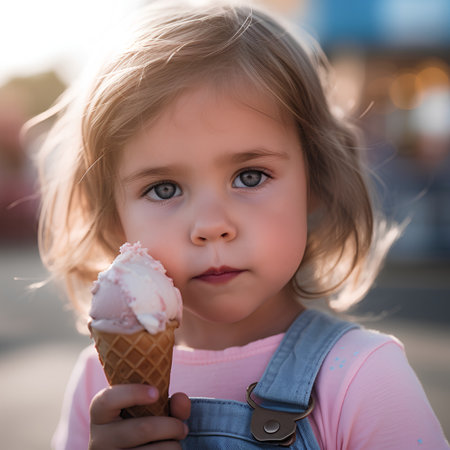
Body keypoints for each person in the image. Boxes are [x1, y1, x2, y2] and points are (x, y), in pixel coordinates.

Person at [28, 1, 448, 448]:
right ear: (113, 218)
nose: (212, 226)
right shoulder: (98, 383)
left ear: (318, 179)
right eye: (164, 189)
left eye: (250, 177)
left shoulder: (362, 378)